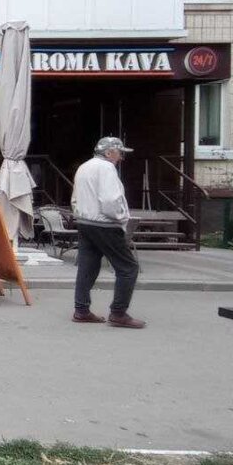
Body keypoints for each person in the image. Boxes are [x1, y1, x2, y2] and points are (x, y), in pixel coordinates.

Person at [70, 137, 145, 329]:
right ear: (109, 152)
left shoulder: (84, 167)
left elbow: (75, 197)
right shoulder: (106, 168)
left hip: (85, 222)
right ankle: (118, 313)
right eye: (120, 153)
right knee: (128, 268)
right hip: (105, 224)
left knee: (87, 267)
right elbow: (110, 200)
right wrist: (122, 217)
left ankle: (81, 310)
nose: (121, 158)